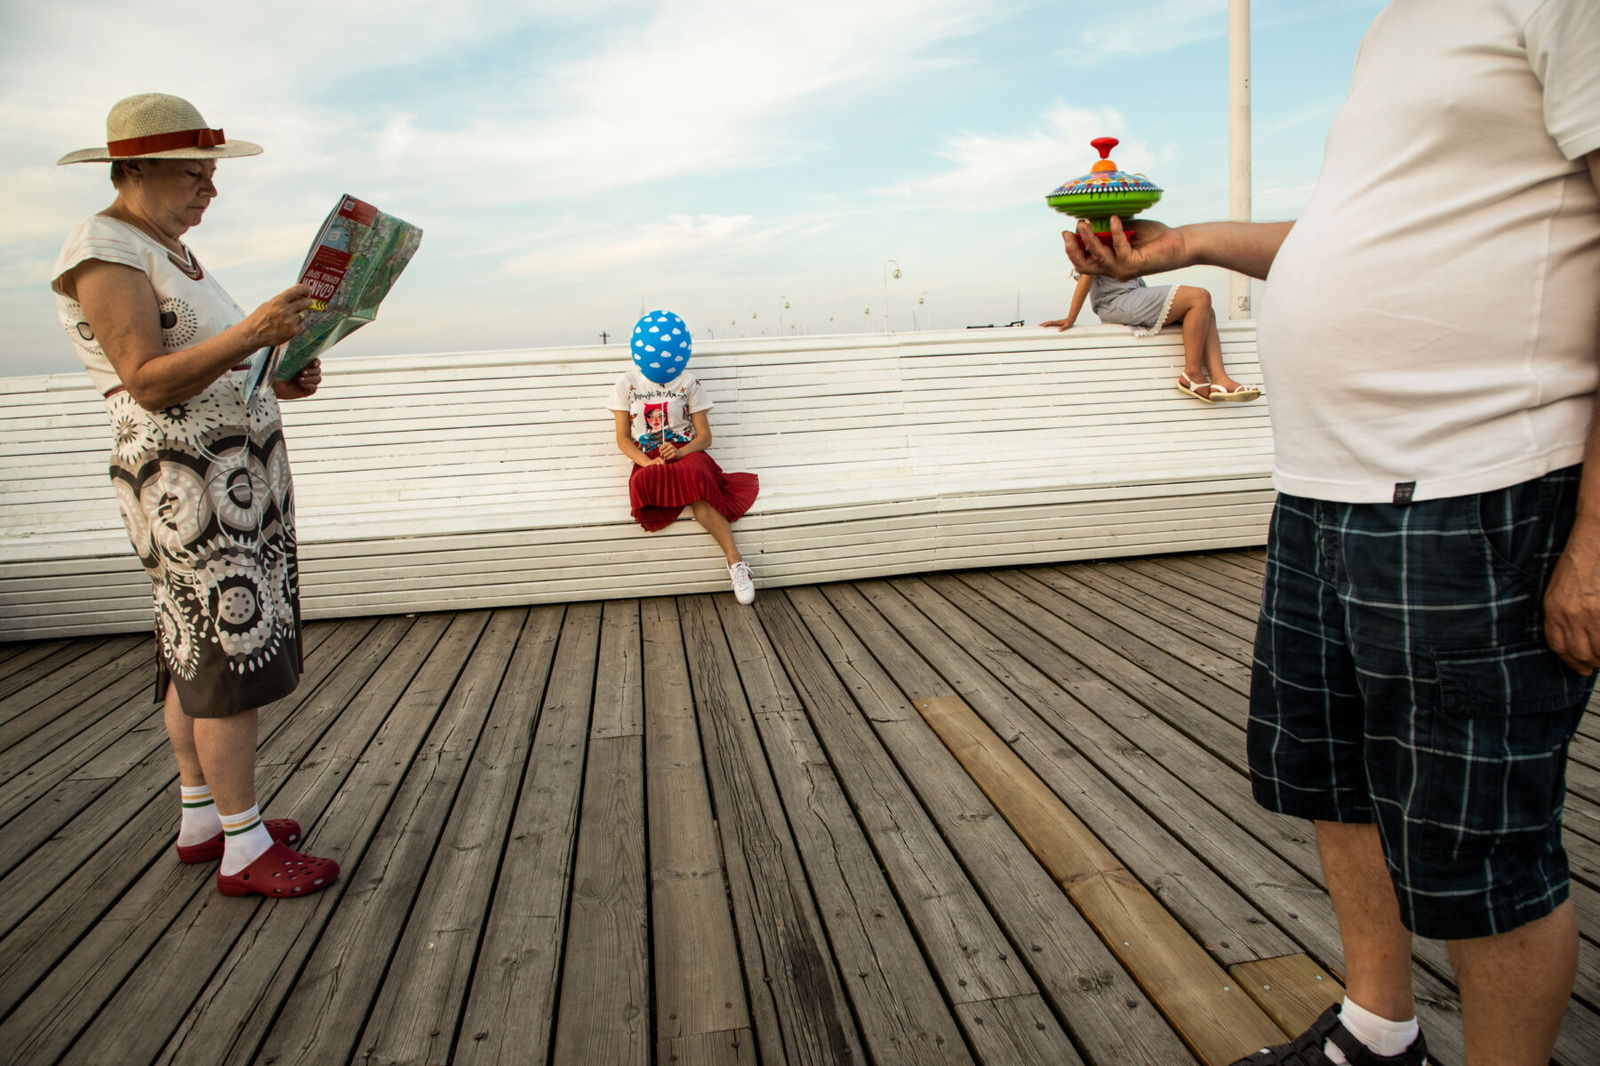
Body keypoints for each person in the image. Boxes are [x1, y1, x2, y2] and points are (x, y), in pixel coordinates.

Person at [1067, 3, 1599, 1064]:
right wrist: (1187, 245)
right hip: (1321, 492)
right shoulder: (1395, 28)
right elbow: (1367, 239)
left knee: (1480, 849)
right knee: (1338, 782)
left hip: (1476, 486)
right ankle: (1373, 1033)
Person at [52, 93, 339, 898]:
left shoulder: (170, 252)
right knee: (223, 656)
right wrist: (251, 333)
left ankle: (205, 819)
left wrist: (280, 370)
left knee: (195, 652)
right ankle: (246, 850)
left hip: (228, 474)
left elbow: (203, 361)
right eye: (193, 174)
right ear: (133, 169)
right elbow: (144, 381)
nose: (209, 189)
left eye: (212, 174)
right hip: (187, 480)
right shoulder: (105, 248)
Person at [607, 310, 760, 604]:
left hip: (686, 453)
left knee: (694, 478)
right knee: (647, 482)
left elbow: (705, 437)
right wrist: (647, 462)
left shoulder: (688, 383)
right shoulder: (626, 384)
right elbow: (623, 439)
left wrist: (680, 451)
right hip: (647, 456)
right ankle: (671, 482)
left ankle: (736, 563)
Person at [1042, 270, 1260, 402]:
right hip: (1115, 302)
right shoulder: (1095, 227)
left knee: (1205, 309)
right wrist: (1071, 317)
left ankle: (1220, 379)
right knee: (1199, 296)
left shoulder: (1118, 226)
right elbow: (1087, 273)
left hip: (1132, 295)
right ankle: (1192, 374)